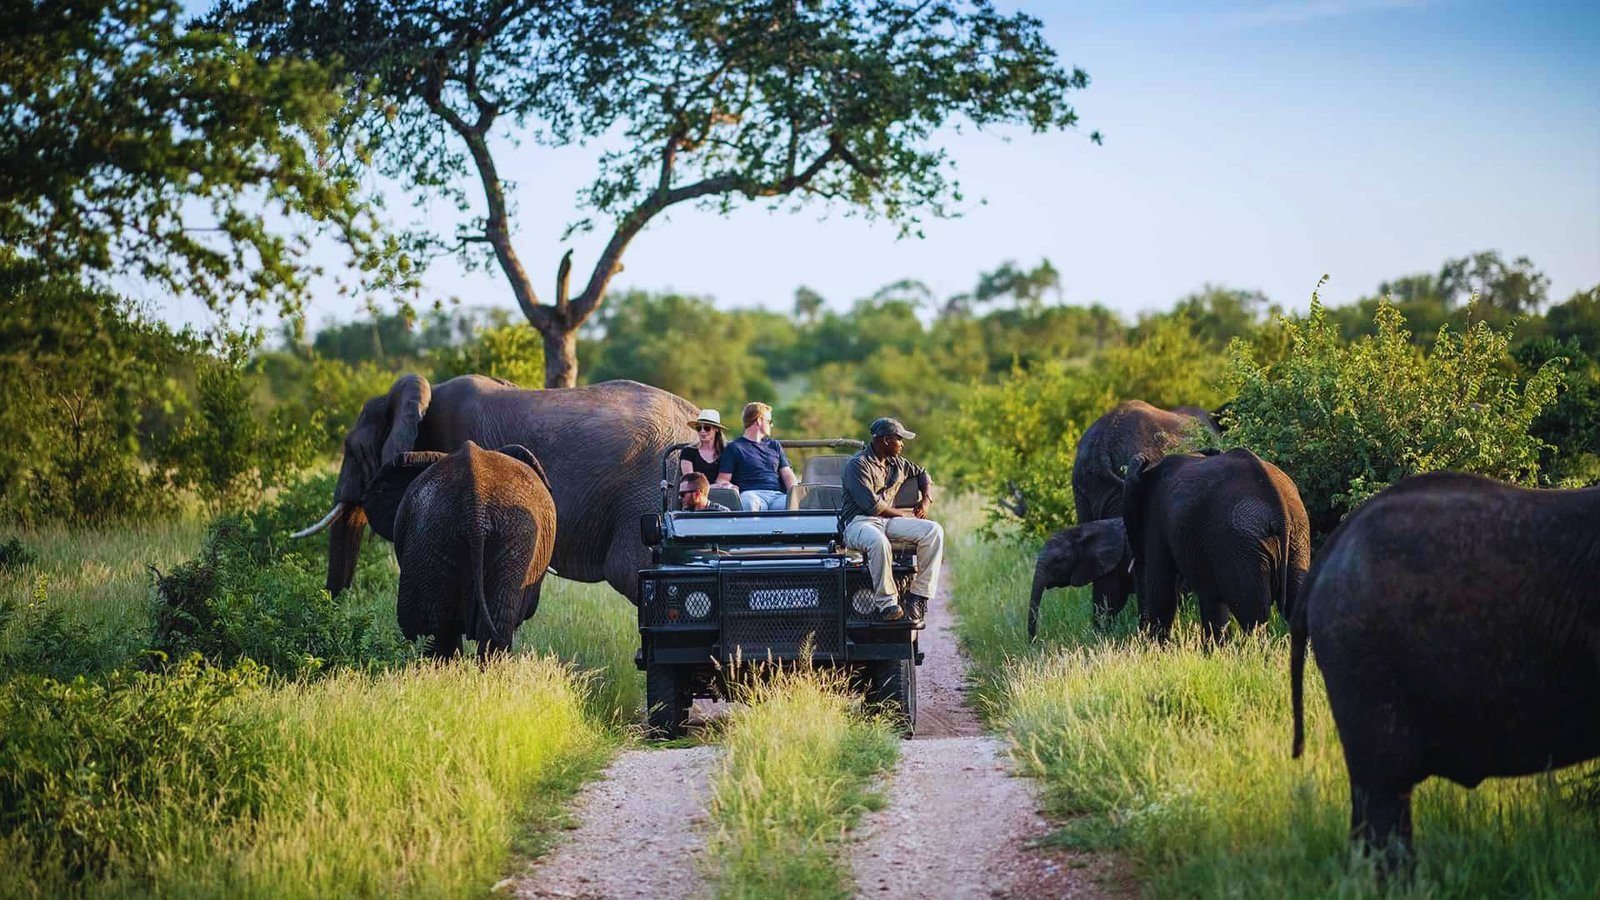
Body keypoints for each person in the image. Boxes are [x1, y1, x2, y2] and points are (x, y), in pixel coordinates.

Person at [840, 417, 943, 623]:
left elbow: (923, 473)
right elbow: (873, 506)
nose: (903, 444)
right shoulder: (857, 465)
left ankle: (918, 596)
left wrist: (925, 500)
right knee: (878, 541)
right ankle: (887, 604)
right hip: (859, 522)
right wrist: (903, 514)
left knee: (933, 531)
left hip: (887, 522)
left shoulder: (897, 463)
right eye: (899, 439)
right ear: (886, 440)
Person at [715, 401, 797, 511]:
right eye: (769, 421)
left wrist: (795, 495)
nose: (771, 425)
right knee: (749, 503)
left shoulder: (774, 446)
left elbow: (787, 474)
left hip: (776, 495)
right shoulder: (735, 448)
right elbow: (722, 480)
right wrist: (729, 486)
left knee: (792, 505)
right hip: (751, 494)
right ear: (759, 420)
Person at [681, 409, 727, 481]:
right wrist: (715, 486)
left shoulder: (726, 452)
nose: (702, 431)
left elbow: (728, 480)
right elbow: (690, 482)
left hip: (723, 492)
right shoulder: (688, 452)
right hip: (696, 492)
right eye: (699, 428)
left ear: (716, 429)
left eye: (707, 428)